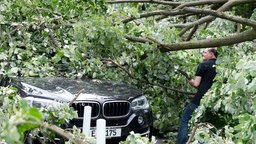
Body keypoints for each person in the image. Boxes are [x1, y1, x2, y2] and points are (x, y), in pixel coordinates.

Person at [176, 48, 218, 144]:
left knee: (185, 119)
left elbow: (196, 84)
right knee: (207, 123)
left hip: (200, 98)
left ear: (211, 54)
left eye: (205, 52)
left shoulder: (203, 65)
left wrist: (191, 82)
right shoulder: (220, 67)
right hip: (213, 100)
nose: (203, 54)